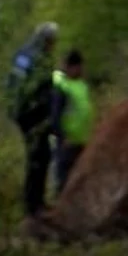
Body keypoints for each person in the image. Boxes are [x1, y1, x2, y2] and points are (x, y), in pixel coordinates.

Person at [6, 22, 59, 222]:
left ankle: (37, 201)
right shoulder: (33, 57)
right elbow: (27, 87)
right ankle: (32, 204)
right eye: (52, 41)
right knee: (38, 156)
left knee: (41, 155)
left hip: (33, 113)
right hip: (31, 113)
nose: (53, 44)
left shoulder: (32, 56)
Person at [50, 49, 95, 195]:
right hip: (67, 141)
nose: (80, 70)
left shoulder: (81, 84)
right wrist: (62, 136)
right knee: (64, 178)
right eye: (77, 67)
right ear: (69, 67)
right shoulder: (62, 87)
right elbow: (55, 116)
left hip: (81, 139)